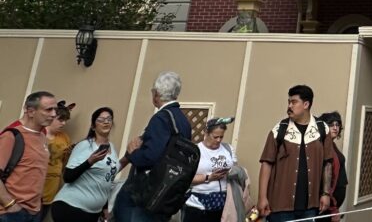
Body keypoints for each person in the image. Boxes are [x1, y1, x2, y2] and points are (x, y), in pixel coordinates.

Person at [114, 71, 192, 222]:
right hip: (166, 193)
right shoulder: (184, 121)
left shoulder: (161, 118)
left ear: (156, 94)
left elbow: (150, 157)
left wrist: (134, 152)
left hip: (147, 192)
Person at [257, 85, 335, 222]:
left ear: (306, 104)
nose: (289, 106)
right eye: (288, 102)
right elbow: (266, 164)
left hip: (310, 207)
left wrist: (325, 194)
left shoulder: (322, 129)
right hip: (280, 207)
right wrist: (262, 197)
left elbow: (327, 164)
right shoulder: (279, 130)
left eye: (294, 102)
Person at [51, 108, 119, 222]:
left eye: (109, 119)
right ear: (93, 126)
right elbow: (68, 177)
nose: (106, 122)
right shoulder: (85, 146)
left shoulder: (111, 147)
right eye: (101, 120)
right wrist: (89, 162)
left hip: (93, 212)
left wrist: (105, 207)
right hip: (71, 207)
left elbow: (104, 179)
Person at [0, 91, 59, 222]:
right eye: (49, 109)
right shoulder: (11, 136)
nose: (54, 114)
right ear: (31, 111)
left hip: (34, 212)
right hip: (10, 213)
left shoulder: (42, 137)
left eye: (55, 109)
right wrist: (10, 205)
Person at [184, 119, 236, 222]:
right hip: (198, 204)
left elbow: (236, 170)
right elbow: (186, 178)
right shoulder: (195, 150)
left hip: (222, 202)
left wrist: (230, 172)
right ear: (206, 133)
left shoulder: (228, 149)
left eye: (221, 137)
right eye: (215, 137)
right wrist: (209, 177)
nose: (218, 140)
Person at [41, 102, 75, 220]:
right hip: (32, 189)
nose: (64, 123)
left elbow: (64, 163)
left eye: (66, 120)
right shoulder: (39, 134)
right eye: (60, 119)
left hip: (50, 190)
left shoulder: (64, 138)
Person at [316, 113, 347, 222]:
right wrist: (333, 208)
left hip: (332, 207)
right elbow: (325, 179)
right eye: (331, 124)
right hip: (326, 207)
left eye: (337, 125)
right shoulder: (322, 147)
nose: (335, 127)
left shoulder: (332, 145)